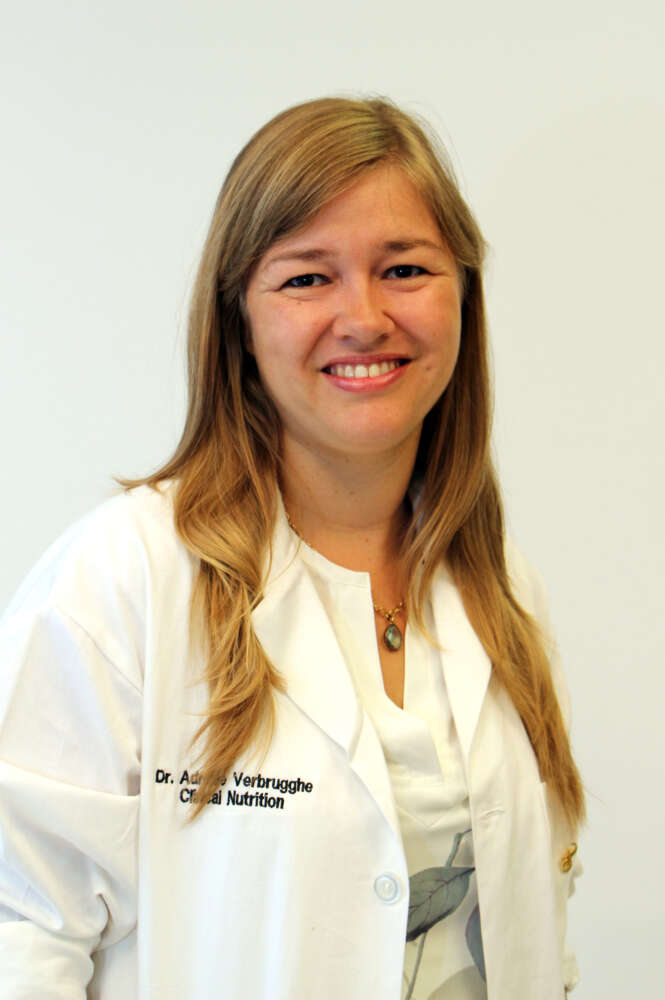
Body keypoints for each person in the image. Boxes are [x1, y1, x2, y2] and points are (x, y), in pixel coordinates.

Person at [0, 96, 584, 999]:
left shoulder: (501, 593)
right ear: (238, 319)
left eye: (403, 268)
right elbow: (23, 933)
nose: (363, 316)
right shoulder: (122, 579)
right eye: (306, 278)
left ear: (461, 292)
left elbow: (530, 921)